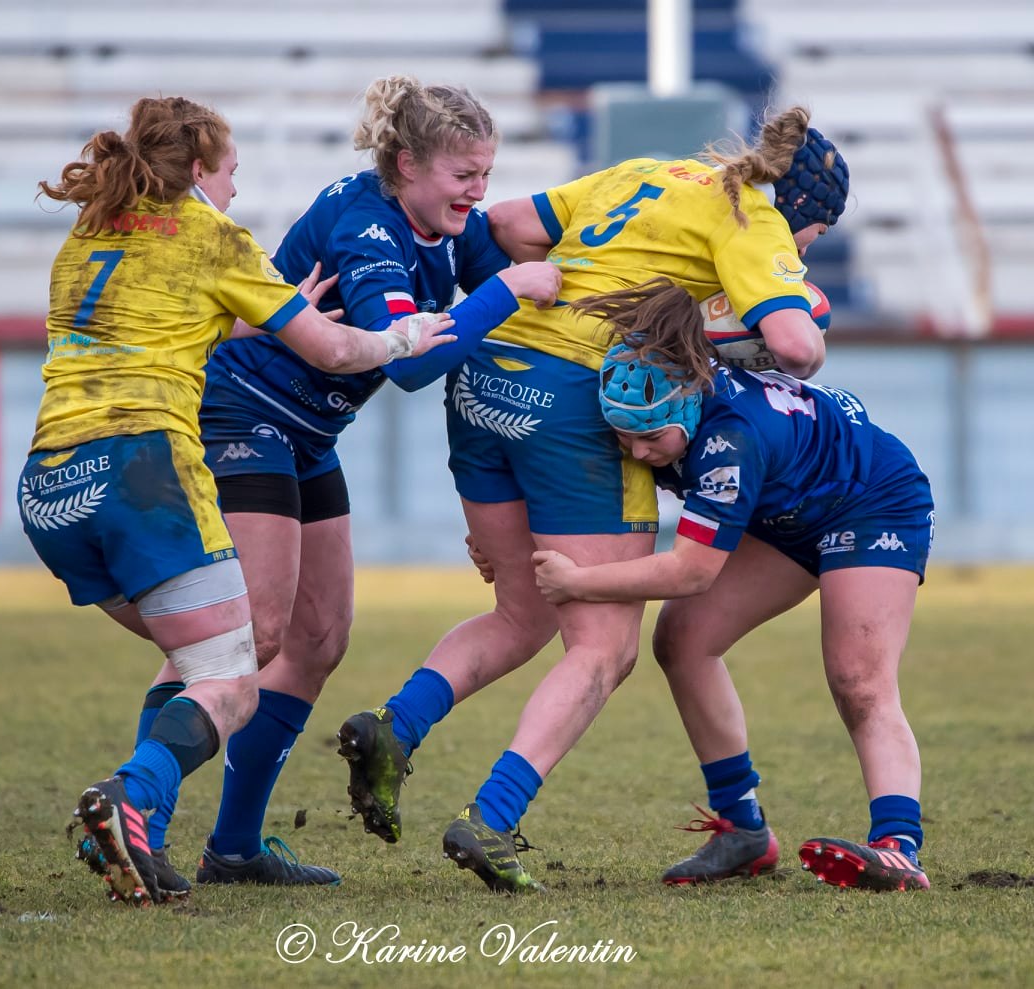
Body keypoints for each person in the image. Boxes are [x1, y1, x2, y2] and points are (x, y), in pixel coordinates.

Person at [338, 107, 849, 892]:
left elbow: (508, 223)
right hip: (575, 397)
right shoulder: (756, 220)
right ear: (801, 215)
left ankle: (394, 727)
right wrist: (709, 320)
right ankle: (494, 817)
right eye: (806, 247)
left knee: (521, 611)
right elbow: (796, 346)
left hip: (485, 373)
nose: (798, 258)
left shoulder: (647, 172)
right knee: (604, 648)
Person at [110, 77, 560, 888]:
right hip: (243, 416)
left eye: (486, 173)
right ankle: (137, 804)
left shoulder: (441, 222)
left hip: (308, 435)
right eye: (464, 175)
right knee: (248, 636)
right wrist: (503, 292)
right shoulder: (368, 228)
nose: (478, 192)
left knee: (317, 639)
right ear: (406, 162)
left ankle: (234, 848)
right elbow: (416, 362)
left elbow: (528, 277)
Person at [18, 95, 453, 906]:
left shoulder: (88, 234)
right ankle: (130, 798)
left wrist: (253, 318)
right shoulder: (212, 236)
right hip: (143, 468)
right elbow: (333, 347)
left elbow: (143, 324)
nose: (235, 194)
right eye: (231, 176)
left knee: (220, 653)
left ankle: (180, 837)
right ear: (199, 173)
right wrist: (402, 336)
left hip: (50, 482)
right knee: (234, 670)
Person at [527, 278, 934, 893]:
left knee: (859, 680)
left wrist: (580, 581)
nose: (639, 453)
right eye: (624, 437)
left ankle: (898, 847)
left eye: (651, 437)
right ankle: (743, 830)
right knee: (684, 641)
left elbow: (691, 571)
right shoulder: (662, 398)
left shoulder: (727, 441)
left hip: (871, 499)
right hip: (786, 510)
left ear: (689, 408)